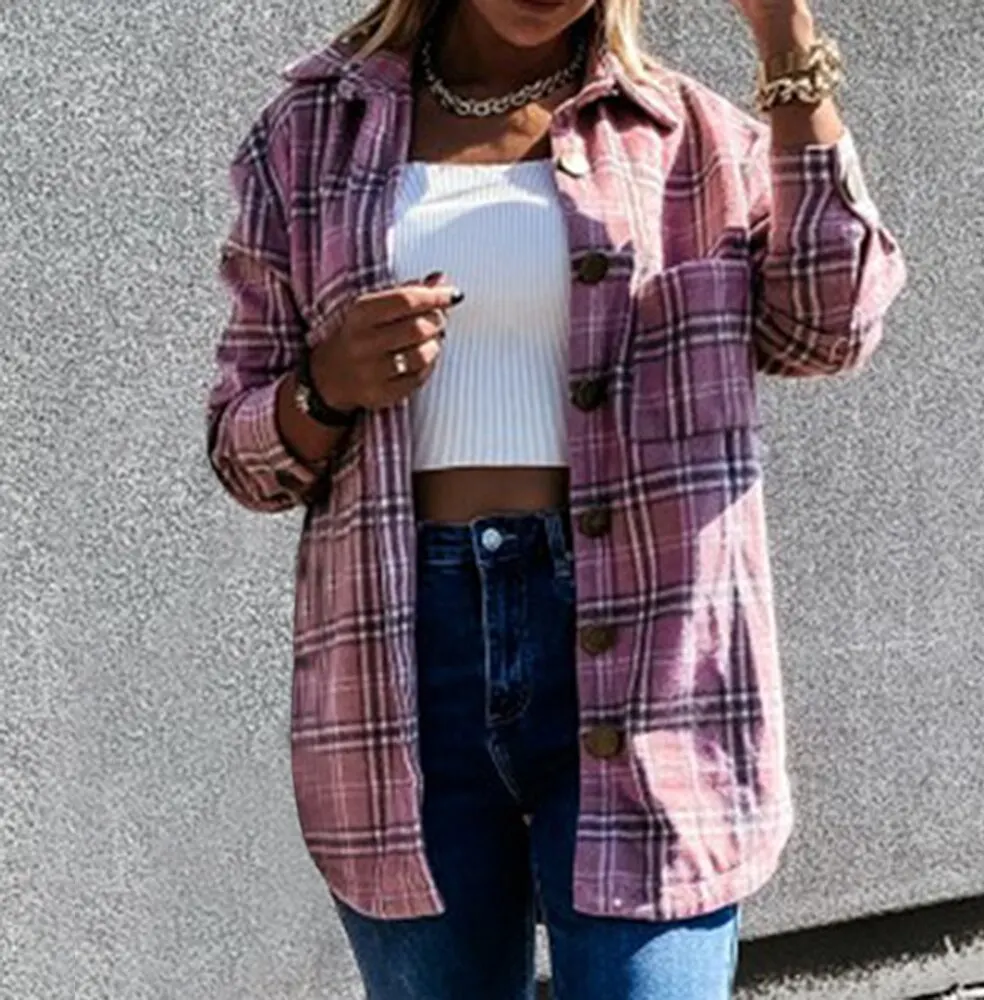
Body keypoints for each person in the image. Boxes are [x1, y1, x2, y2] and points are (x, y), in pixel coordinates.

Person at [205, 0, 905, 995]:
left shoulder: (689, 136)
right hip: (402, 677)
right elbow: (243, 453)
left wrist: (785, 40)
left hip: (657, 662)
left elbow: (831, 326)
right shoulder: (312, 132)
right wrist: (325, 386)